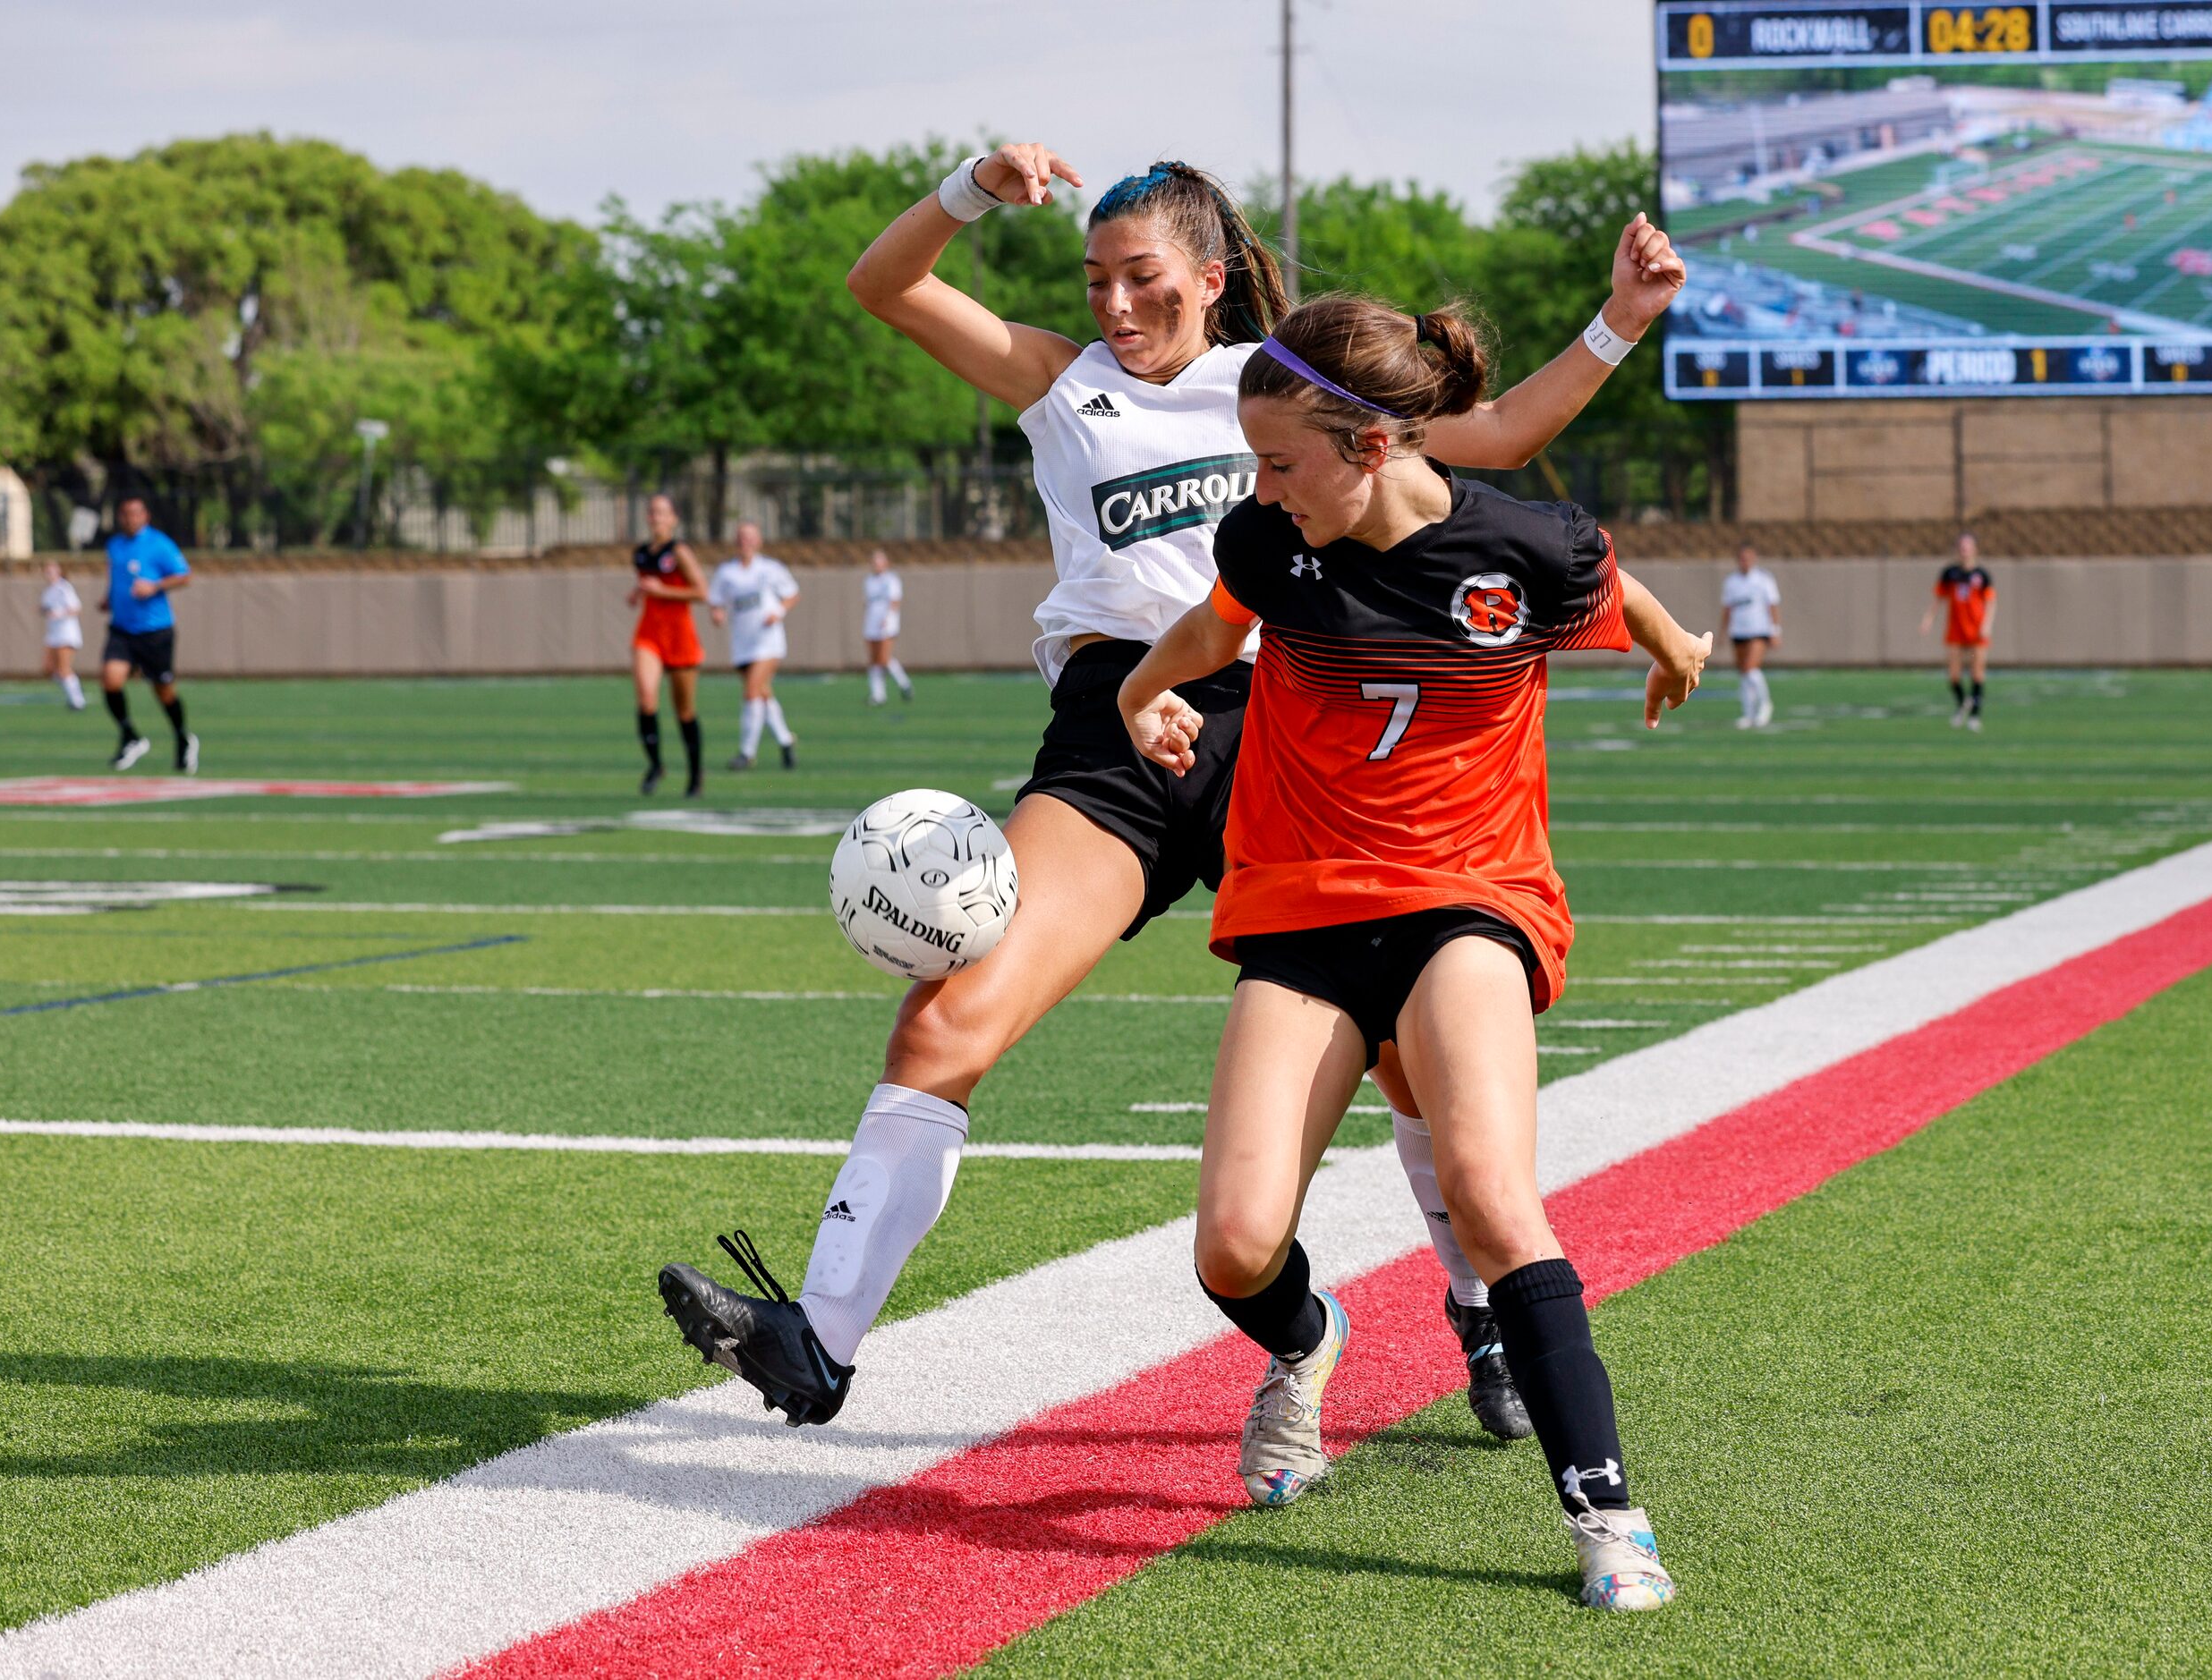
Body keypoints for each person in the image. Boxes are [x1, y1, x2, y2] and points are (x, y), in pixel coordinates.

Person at [656, 142, 1686, 1440]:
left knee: (1407, 1055)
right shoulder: (1059, 381)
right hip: (1115, 725)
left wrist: (1620, 319)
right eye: (1094, 280)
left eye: (1140, 277)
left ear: (1209, 276)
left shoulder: (1281, 391)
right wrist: (971, 189)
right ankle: (818, 1340)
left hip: (1295, 718)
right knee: (948, 1018)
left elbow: (1508, 434)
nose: (1113, 304)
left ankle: (1481, 1315)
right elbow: (885, 283)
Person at [1116, 294, 1709, 1610]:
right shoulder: (1270, 543)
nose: (1261, 489)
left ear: (1373, 446)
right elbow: (1214, 631)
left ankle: (1610, 1515)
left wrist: (1674, 647)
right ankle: (1313, 1336)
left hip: (1470, 899)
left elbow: (1614, 587)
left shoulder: (1529, 548)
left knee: (1497, 1196)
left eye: (1281, 462)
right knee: (1230, 1245)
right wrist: (1135, 690)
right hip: (1302, 910)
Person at [98, 493, 195, 772]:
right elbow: (117, 578)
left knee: (163, 691)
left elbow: (184, 575)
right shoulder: (114, 545)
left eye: (136, 513)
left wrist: (154, 587)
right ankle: (130, 736)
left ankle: (182, 738)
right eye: (126, 514)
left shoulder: (158, 544)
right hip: (122, 629)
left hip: (155, 630)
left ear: (145, 516)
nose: (131, 519)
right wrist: (109, 599)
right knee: (110, 680)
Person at [629, 493, 709, 796]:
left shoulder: (680, 552)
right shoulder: (640, 553)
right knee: (647, 699)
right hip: (649, 633)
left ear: (673, 518)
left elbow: (701, 592)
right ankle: (655, 765)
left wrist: (661, 591)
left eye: (662, 513)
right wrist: (637, 594)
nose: (655, 517)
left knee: (684, 712)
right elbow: (648, 587)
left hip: (679, 636)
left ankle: (695, 774)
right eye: (652, 512)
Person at [708, 522, 800, 770]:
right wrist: (717, 614)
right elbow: (716, 601)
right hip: (742, 643)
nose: (745, 542)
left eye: (750, 537)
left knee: (751, 692)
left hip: (768, 642)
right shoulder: (726, 572)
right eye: (741, 537)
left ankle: (747, 753)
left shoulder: (770, 569)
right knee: (762, 695)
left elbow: (792, 594)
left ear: (758, 541)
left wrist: (778, 611)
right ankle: (785, 741)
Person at [1920, 532, 1995, 730]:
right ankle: (1963, 703)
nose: (1964, 550)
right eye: (1961, 547)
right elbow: (1938, 600)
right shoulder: (1949, 573)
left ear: (1975, 550)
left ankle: (1975, 717)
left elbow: (1991, 603)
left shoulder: (1982, 575)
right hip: (1956, 629)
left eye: (1968, 546)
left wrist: (1987, 625)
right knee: (1954, 675)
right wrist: (1928, 619)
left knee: (1977, 673)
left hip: (1976, 630)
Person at [1720, 542, 1780, 729]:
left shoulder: (1764, 580)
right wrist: (1723, 632)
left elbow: (1773, 606)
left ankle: (1765, 704)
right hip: (1739, 631)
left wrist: (1776, 630)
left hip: (1758, 630)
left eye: (1748, 557)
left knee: (1750, 668)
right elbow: (1727, 609)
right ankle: (1748, 713)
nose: (1745, 561)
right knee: (1743, 672)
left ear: (1754, 559)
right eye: (1742, 558)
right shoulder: (1731, 582)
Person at [864, 547, 912, 706]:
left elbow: (895, 601)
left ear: (886, 563)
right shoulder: (869, 581)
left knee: (884, 658)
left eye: (879, 562)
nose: (876, 565)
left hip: (886, 623)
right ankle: (878, 695)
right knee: (874, 660)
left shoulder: (891, 580)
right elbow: (868, 603)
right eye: (874, 562)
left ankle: (904, 683)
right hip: (871, 622)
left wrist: (888, 618)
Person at [38, 559, 86, 710]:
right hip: (53, 634)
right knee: (49, 668)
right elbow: (44, 609)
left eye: (52, 570)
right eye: (47, 570)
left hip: (66, 633)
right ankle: (72, 687)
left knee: (64, 667)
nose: (49, 573)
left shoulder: (64, 588)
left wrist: (60, 613)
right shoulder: (48, 591)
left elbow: (76, 608)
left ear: (59, 571)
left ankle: (77, 700)